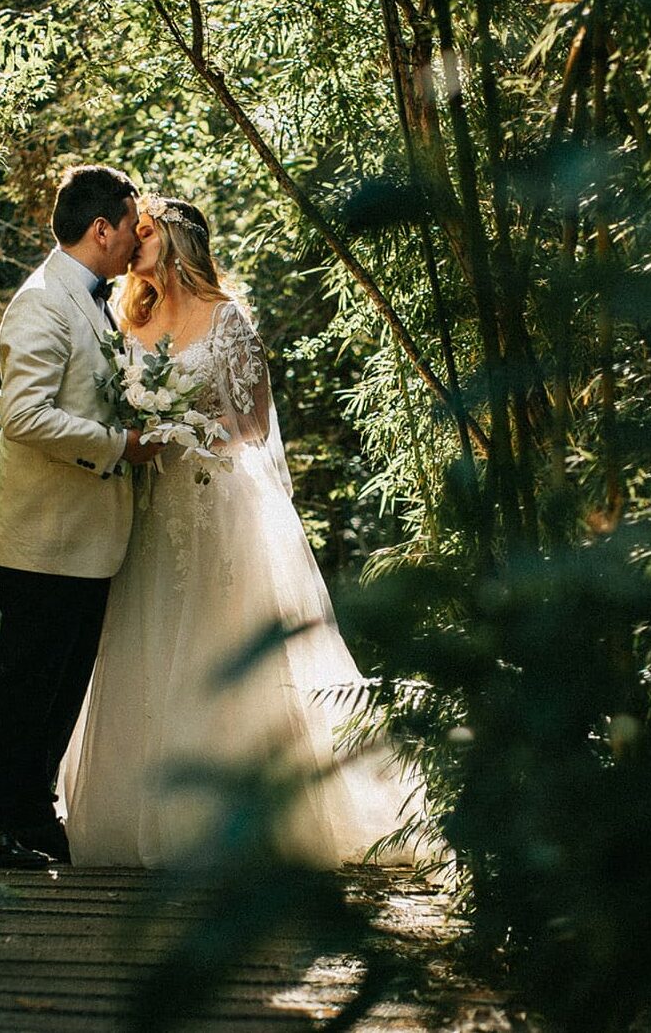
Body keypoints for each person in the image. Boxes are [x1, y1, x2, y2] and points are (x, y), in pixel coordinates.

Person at [59, 195, 422, 868]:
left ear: (176, 241)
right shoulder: (129, 319)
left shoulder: (228, 319)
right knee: (148, 643)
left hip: (218, 505)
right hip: (149, 507)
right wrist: (142, 430)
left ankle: (246, 820)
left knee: (219, 643)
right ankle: (141, 817)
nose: (133, 244)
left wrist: (183, 426)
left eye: (145, 232)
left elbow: (252, 426)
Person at [0, 165, 162, 869]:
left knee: (61, 688)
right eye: (130, 226)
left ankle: (30, 814)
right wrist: (118, 445)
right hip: (44, 536)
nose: (135, 240)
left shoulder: (93, 302)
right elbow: (24, 417)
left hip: (89, 537)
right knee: (20, 688)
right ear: (101, 229)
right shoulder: (41, 302)